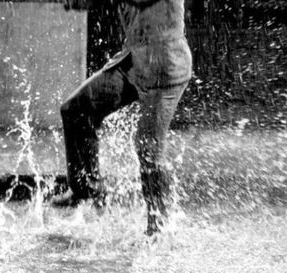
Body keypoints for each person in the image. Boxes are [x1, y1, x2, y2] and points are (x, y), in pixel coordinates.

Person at [52, 0, 192, 235]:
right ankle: (86, 189)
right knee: (76, 110)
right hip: (133, 61)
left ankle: (159, 227)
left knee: (148, 147)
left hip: (165, 67)